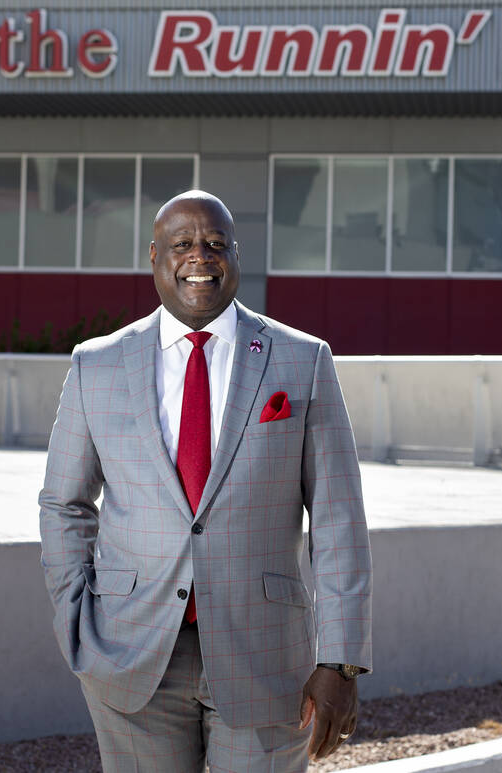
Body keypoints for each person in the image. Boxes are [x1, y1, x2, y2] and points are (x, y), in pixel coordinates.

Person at [39, 190, 372, 772]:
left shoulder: (302, 360)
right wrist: (76, 619)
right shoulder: (96, 365)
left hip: (268, 656)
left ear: (236, 256)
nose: (201, 256)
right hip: (128, 651)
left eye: (216, 244)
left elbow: (338, 517)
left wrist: (341, 662)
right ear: (154, 257)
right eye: (183, 244)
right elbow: (64, 503)